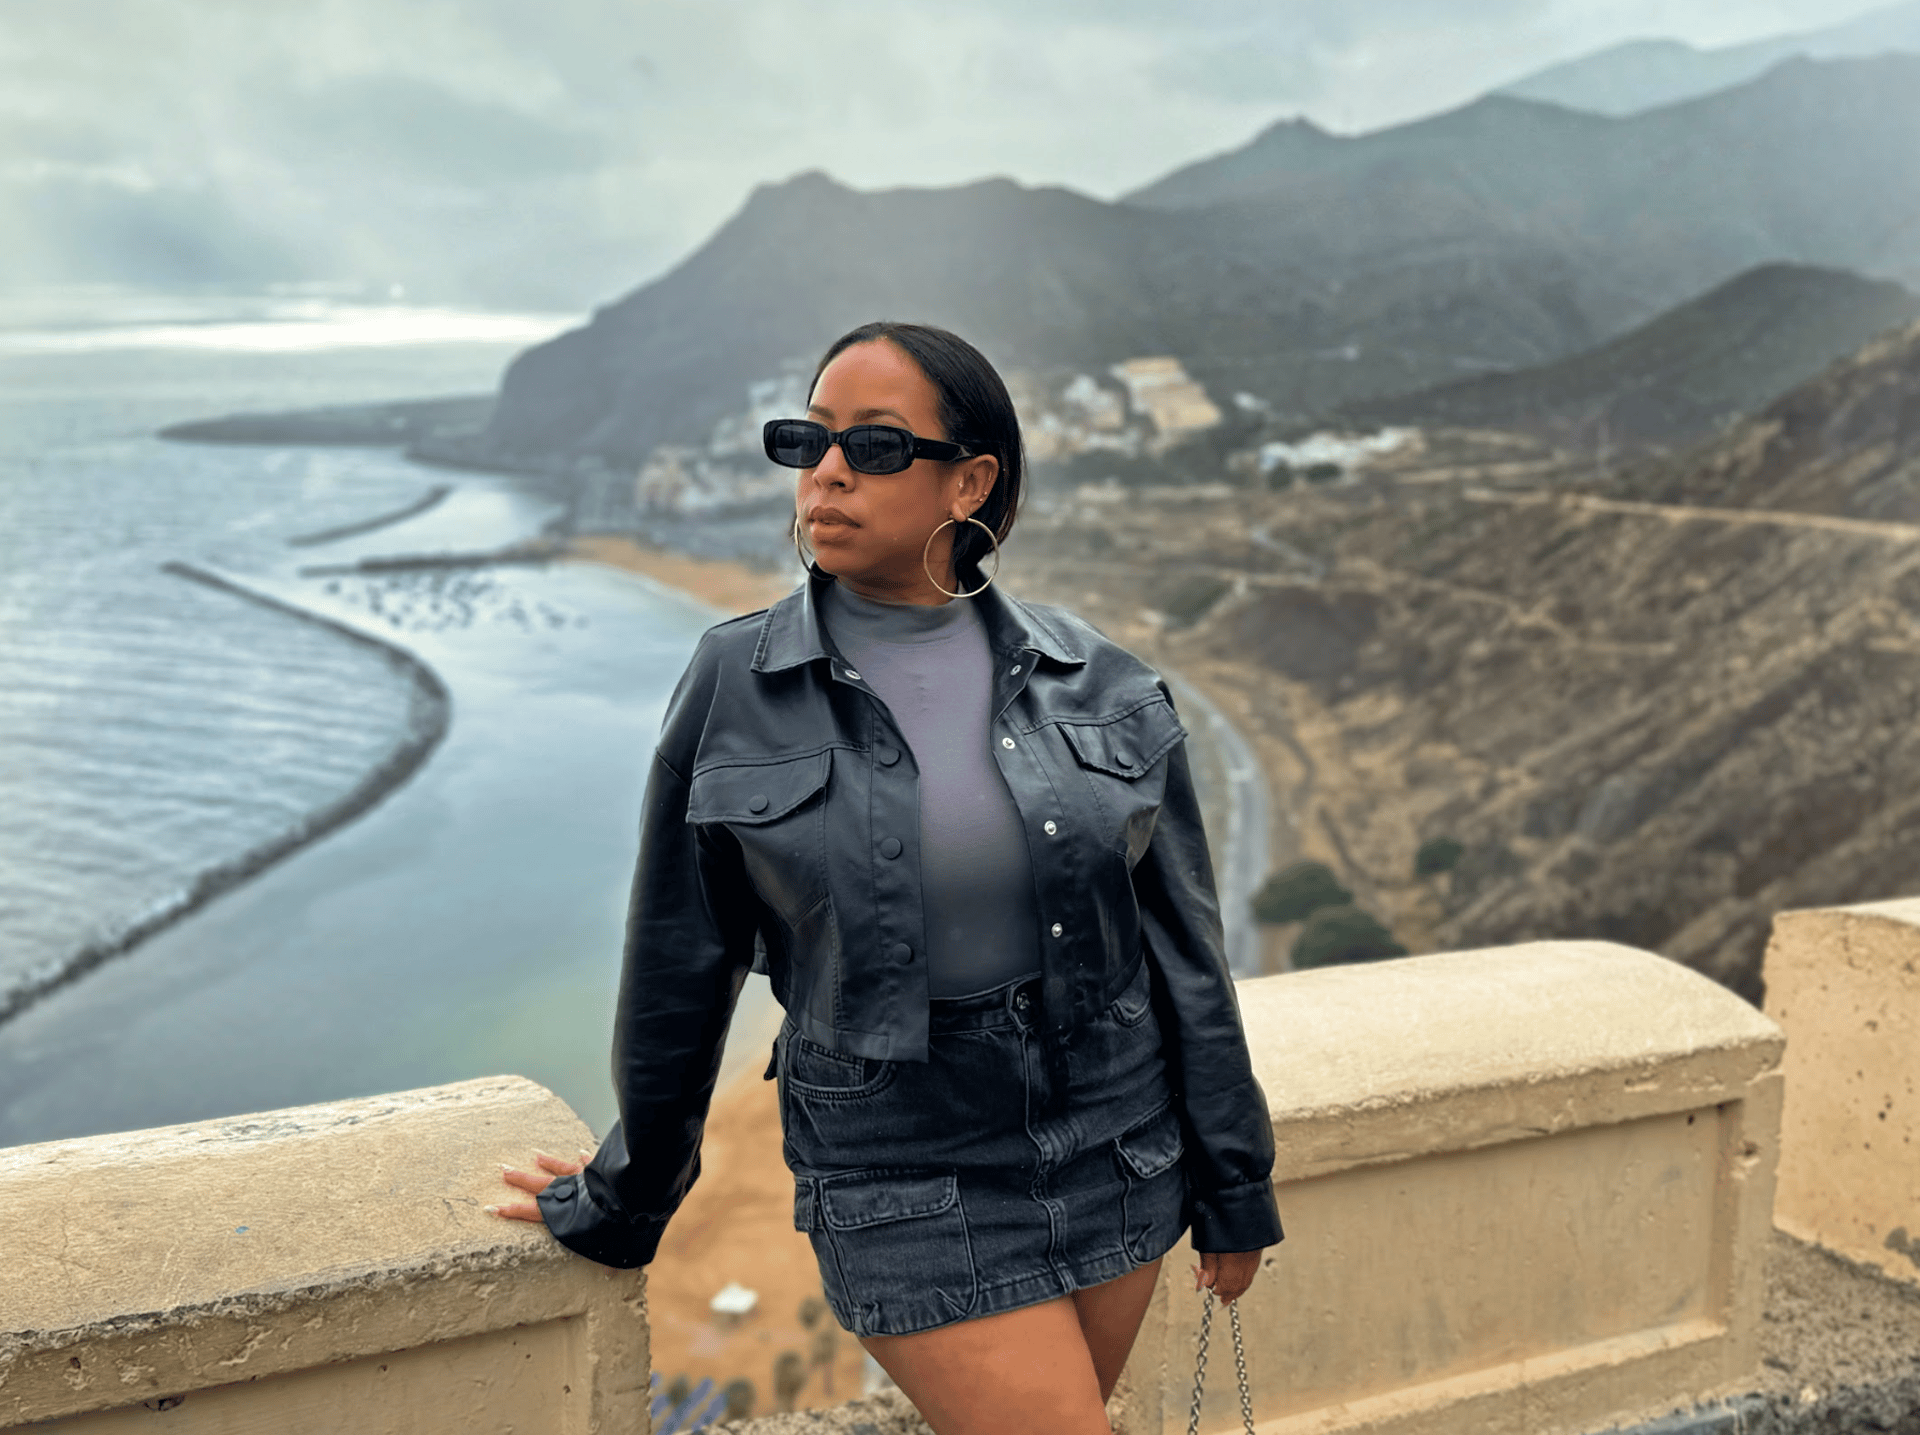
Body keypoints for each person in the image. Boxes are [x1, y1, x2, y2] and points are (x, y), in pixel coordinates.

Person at [490, 321, 1281, 1434]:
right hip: (900, 1163)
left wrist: (1233, 1184)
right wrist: (629, 1195)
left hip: (1118, 1137)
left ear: (972, 479)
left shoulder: (1101, 681)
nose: (827, 471)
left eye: (873, 445)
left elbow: (1188, 955)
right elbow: (681, 956)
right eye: (808, 440)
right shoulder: (735, 681)